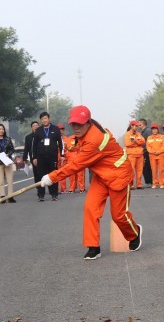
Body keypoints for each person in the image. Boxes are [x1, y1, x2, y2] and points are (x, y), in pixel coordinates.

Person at [40, 105, 142, 260]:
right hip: (101, 176)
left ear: (88, 122)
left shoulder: (95, 139)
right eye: (73, 124)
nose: (76, 127)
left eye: (79, 124)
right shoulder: (86, 133)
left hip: (118, 175)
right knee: (90, 208)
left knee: (118, 216)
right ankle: (93, 246)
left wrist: (52, 177)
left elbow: (76, 165)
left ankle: (134, 234)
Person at [31, 112, 63, 201]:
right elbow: (34, 145)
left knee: (53, 175)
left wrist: (62, 155)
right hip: (41, 157)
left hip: (52, 157)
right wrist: (34, 157)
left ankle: (54, 194)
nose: (44, 120)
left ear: (49, 119)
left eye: (45, 118)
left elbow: (60, 143)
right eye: (42, 119)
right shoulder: (38, 130)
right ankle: (41, 195)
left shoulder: (55, 129)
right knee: (41, 175)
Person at [0, 123, 16, 202]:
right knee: (0, 180)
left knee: (10, 179)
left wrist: (8, 154)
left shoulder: (8, 139)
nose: (1, 130)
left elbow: (12, 149)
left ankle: (10, 196)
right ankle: (2, 197)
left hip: (7, 162)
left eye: (2, 129)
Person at [124, 120, 146, 190]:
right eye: (135, 126)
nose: (136, 127)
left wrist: (135, 141)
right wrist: (137, 142)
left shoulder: (138, 134)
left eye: (137, 126)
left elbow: (143, 141)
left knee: (140, 170)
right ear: (131, 126)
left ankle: (139, 184)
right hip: (131, 154)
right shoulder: (127, 134)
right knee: (131, 170)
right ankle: (131, 185)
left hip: (140, 154)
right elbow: (127, 144)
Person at [146, 123, 164, 188]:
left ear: (158, 130)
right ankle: (155, 183)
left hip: (161, 156)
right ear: (151, 130)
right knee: (154, 170)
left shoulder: (162, 137)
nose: (154, 130)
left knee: (161, 170)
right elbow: (148, 147)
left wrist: (159, 152)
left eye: (155, 129)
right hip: (152, 156)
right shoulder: (149, 138)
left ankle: (162, 183)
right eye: (153, 129)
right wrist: (153, 152)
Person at [139, 118, 153, 187]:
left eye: (139, 123)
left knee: (147, 167)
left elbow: (150, 140)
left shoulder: (148, 131)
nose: (138, 125)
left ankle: (149, 181)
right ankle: (148, 181)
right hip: (144, 151)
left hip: (147, 151)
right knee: (145, 166)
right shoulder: (142, 131)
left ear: (142, 123)